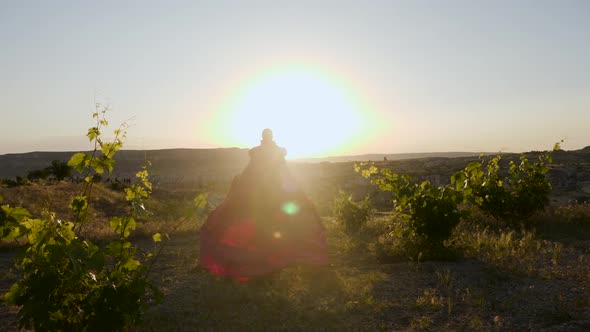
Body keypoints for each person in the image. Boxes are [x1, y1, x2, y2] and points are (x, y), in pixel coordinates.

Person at [200, 129, 328, 281]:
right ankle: (269, 261)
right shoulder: (275, 152)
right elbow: (282, 172)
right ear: (270, 136)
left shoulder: (258, 152)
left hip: (262, 192)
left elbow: (253, 172)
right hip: (274, 192)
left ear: (264, 137)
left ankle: (267, 260)